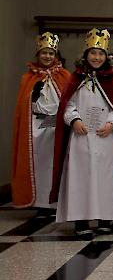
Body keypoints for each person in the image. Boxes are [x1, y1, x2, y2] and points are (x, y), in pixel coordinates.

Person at [50, 29, 113, 238]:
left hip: (106, 137)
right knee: (80, 177)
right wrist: (74, 119)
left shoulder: (112, 79)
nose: (97, 57)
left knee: (106, 178)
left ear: (107, 57)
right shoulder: (76, 78)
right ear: (86, 55)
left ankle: (105, 218)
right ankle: (81, 220)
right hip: (81, 137)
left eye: (101, 54)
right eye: (93, 53)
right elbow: (67, 104)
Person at [12, 33, 70, 213]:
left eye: (51, 53)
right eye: (44, 53)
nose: (47, 57)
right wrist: (33, 96)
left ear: (56, 55)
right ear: (38, 54)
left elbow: (69, 101)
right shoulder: (28, 78)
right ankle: (41, 205)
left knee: (56, 164)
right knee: (39, 166)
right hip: (36, 130)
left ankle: (56, 204)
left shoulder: (65, 76)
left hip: (57, 128)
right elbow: (23, 106)